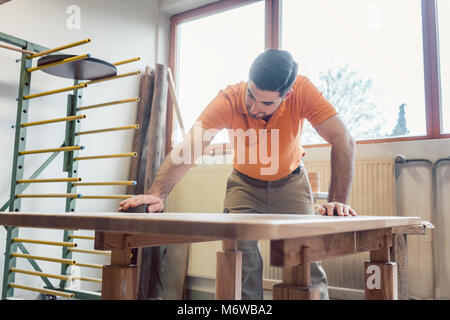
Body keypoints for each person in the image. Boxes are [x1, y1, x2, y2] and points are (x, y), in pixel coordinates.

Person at [118, 49, 357, 300]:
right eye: (251, 95)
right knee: (241, 260)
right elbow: (188, 149)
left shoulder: (303, 90)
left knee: (306, 261)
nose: (254, 107)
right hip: (244, 185)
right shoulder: (228, 100)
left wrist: (337, 201)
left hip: (291, 182)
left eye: (266, 103)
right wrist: (157, 194)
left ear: (286, 95)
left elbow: (343, 140)